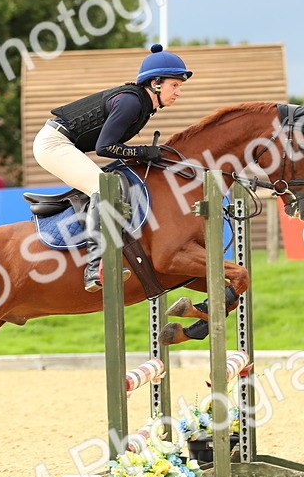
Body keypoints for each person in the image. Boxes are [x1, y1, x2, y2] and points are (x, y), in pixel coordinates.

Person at [32, 43, 192, 292]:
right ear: (156, 83)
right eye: (175, 85)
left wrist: (141, 155)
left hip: (63, 142)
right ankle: (95, 266)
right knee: (105, 188)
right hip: (53, 143)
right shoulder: (132, 103)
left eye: (180, 87)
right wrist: (141, 152)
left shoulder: (141, 104)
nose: (179, 92)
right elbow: (104, 147)